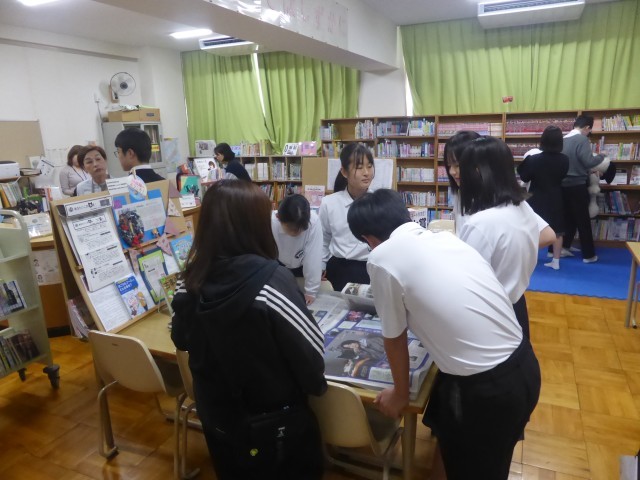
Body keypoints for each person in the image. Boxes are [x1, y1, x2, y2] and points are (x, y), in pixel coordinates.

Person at [346, 188, 541, 480]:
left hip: (485, 389)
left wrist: (400, 394)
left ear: (368, 239)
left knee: (473, 469)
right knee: (488, 463)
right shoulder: (446, 238)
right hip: (524, 367)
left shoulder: (381, 257)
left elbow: (394, 337)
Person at [170, 180, 326, 480]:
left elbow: (180, 337)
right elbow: (311, 355)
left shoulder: (190, 279)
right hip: (275, 424)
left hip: (217, 415)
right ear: (256, 224)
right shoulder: (273, 281)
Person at [457, 137, 554, 339]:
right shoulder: (522, 207)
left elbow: (465, 283)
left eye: (462, 170)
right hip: (515, 304)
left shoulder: (482, 224)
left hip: (488, 315)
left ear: (477, 172)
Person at [318, 143, 374, 292]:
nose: (366, 173)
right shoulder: (329, 203)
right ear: (344, 172)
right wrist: (321, 265)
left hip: (373, 268)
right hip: (341, 270)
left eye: (369, 166)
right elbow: (323, 238)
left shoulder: (379, 201)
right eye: (359, 167)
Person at [517, 126, 570, 270]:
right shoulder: (565, 159)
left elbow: (524, 176)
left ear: (543, 140)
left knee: (532, 228)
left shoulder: (534, 159)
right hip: (556, 196)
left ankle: (529, 259)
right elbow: (563, 176)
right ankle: (556, 261)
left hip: (536, 197)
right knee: (557, 230)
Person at [561, 115, 608, 263]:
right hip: (577, 185)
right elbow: (588, 162)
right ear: (587, 127)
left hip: (563, 185)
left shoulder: (563, 139)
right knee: (583, 221)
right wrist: (601, 156)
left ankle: (564, 247)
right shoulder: (582, 139)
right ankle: (589, 255)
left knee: (567, 218)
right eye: (589, 130)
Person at [271, 194, 322, 305]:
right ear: (279, 218)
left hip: (302, 267)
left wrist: (311, 291)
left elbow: (313, 257)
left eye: (301, 228)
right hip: (277, 264)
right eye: (291, 228)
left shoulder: (313, 221)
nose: (296, 232)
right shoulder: (271, 221)